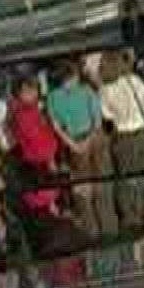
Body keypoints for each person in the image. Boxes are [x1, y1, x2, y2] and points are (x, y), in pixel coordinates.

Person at [46, 58, 116, 240]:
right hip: (95, 140)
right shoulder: (86, 91)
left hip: (75, 143)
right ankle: (109, 227)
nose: (76, 79)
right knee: (103, 182)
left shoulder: (52, 98)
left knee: (84, 187)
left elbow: (56, 127)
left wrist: (73, 144)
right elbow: (97, 121)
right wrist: (87, 140)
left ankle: (91, 230)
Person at [99, 49, 144, 230]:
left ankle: (131, 216)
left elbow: (107, 115)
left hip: (122, 136)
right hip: (140, 132)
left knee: (127, 178)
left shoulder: (104, 90)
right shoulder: (133, 80)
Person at [6, 73, 66, 229]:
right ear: (19, 94)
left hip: (38, 163)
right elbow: (38, 141)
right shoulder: (24, 115)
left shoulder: (24, 110)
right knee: (46, 194)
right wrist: (51, 157)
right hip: (40, 162)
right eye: (29, 91)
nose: (34, 93)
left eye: (34, 89)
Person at [120, 0, 144, 70]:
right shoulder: (125, 22)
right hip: (136, 47)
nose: (133, 12)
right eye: (131, 9)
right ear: (128, 11)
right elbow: (126, 37)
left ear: (137, 9)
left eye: (134, 9)